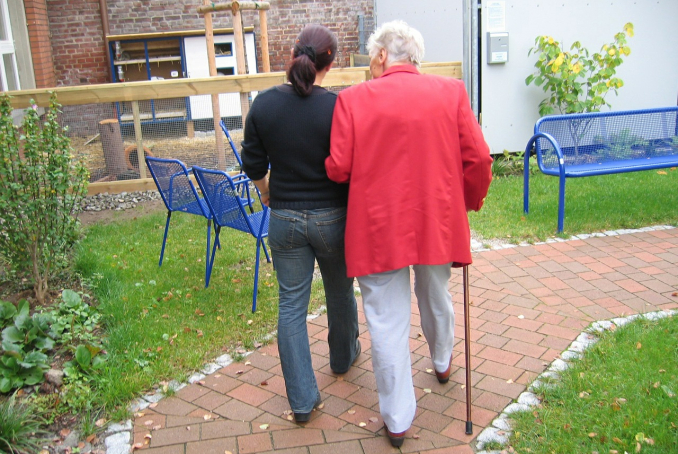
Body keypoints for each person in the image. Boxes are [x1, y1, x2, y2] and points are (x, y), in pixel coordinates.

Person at [325, 20, 493, 447]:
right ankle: (441, 360)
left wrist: (330, 167)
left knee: (386, 320)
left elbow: (340, 167)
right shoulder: (451, 92)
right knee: (436, 293)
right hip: (437, 221)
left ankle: (397, 420)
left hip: (378, 227)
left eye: (371, 57)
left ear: (382, 55)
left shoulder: (352, 99)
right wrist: (468, 202)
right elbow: (478, 158)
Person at [241, 24, 360, 424]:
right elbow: (351, 164)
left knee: (291, 306)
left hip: (285, 220)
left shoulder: (264, 105)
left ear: (292, 55)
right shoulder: (339, 106)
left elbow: (253, 164)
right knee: (341, 293)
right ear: (332, 61)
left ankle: (303, 401)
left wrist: (267, 191)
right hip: (333, 219)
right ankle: (343, 359)